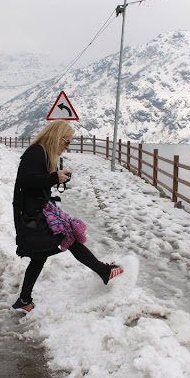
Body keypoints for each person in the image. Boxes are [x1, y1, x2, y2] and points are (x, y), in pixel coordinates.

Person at [11, 120, 123, 312]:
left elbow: (34, 183)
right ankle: (104, 271)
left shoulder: (41, 152)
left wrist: (53, 183)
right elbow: (26, 181)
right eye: (67, 142)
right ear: (57, 138)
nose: (67, 146)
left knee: (39, 256)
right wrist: (55, 178)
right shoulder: (36, 152)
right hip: (33, 215)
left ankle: (24, 300)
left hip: (35, 212)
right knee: (69, 237)